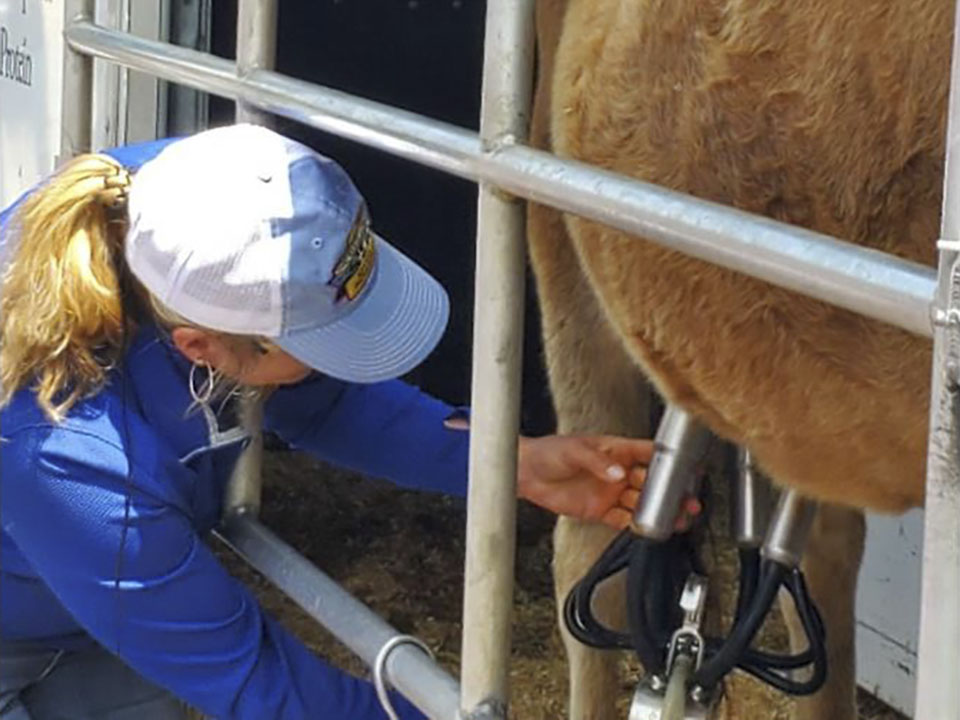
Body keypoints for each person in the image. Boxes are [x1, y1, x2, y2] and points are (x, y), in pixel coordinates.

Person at [0, 125, 693, 720]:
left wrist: (512, 461)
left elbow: (320, 396)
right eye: (317, 347)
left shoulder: (196, 201)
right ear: (200, 349)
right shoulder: (71, 458)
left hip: (78, 611)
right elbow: (257, 680)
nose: (335, 363)